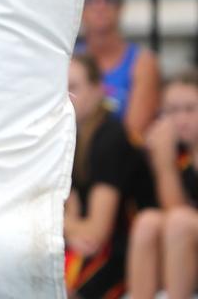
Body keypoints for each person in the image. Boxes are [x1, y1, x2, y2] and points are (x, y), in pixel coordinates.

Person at [64, 53, 145, 299]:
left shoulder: (109, 137)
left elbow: (96, 233)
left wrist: (61, 222)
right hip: (92, 246)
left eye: (73, 87)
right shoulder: (72, 134)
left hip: (126, 253)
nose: (65, 97)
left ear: (98, 90)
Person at [127, 70, 198, 299]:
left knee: (179, 222)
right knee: (148, 222)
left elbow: (178, 213)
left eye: (190, 109)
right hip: (182, 236)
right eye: (172, 111)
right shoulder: (177, 149)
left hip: (184, 230)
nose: (180, 119)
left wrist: (164, 165)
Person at [79, 0, 160, 139]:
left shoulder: (142, 62)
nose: (100, 5)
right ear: (79, 7)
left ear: (121, 6)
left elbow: (133, 136)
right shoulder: (68, 61)